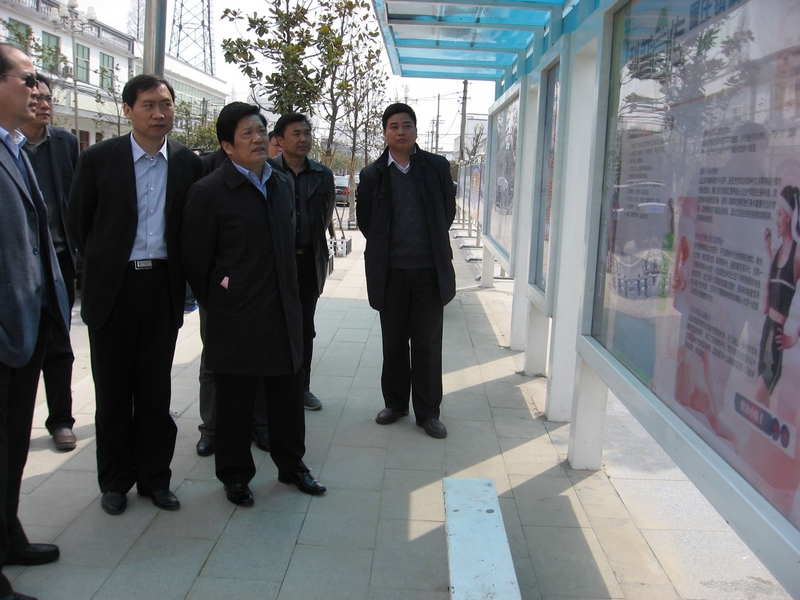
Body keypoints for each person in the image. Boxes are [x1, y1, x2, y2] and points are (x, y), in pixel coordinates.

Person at [67, 74, 203, 516]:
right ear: (128, 111)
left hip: (161, 288)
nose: (159, 113)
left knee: (154, 392)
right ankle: (115, 481)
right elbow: (78, 224)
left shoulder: (186, 163)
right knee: (112, 392)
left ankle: (155, 479)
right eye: (148, 105)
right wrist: (102, 266)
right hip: (114, 289)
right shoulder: (99, 159)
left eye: (166, 104)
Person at [182, 102, 326, 506]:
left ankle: (292, 465)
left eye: (261, 130)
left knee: (287, 394)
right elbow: (196, 261)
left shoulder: (279, 183)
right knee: (236, 399)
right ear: (227, 146)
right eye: (247, 133)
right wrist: (223, 297)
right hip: (236, 313)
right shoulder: (209, 192)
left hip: (283, 307)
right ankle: (235, 476)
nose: (258, 138)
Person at [0, 42, 71, 600]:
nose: (37, 87)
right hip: (6, 330)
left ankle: (7, 535)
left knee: (11, 450)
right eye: (27, 77)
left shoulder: (15, 146)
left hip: (28, 324)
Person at [357, 102, 456, 439]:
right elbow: (367, 222)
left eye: (407, 125)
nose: (401, 131)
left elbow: (446, 213)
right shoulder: (372, 174)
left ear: (416, 130)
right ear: (385, 133)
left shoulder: (436, 167)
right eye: (394, 126)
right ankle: (396, 404)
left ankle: (428, 413)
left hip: (429, 271)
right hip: (390, 273)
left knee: (427, 344)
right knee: (394, 342)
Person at [19, 73, 80, 452]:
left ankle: (61, 421)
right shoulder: (9, 146)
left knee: (59, 345)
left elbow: (77, 199)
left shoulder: (65, 143)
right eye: (36, 97)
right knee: (17, 347)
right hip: (16, 266)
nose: (44, 104)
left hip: (58, 261)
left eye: (48, 98)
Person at [272, 113, 336, 411]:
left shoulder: (323, 174)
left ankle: (302, 387)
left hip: (309, 260)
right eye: (296, 133)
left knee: (305, 328)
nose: (303, 139)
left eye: (307, 133)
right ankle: (275, 389)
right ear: (279, 140)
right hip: (276, 263)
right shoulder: (267, 171)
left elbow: (325, 216)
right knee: (275, 327)